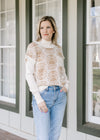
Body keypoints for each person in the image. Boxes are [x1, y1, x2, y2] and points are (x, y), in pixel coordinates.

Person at [25, 16, 69, 140]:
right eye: (42, 27)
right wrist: (38, 98)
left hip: (60, 96)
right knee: (43, 137)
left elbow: (62, 71)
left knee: (54, 136)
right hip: (43, 95)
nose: (44, 30)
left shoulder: (58, 49)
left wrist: (67, 85)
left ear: (53, 30)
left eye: (48, 27)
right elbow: (28, 74)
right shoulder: (33, 47)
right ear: (39, 30)